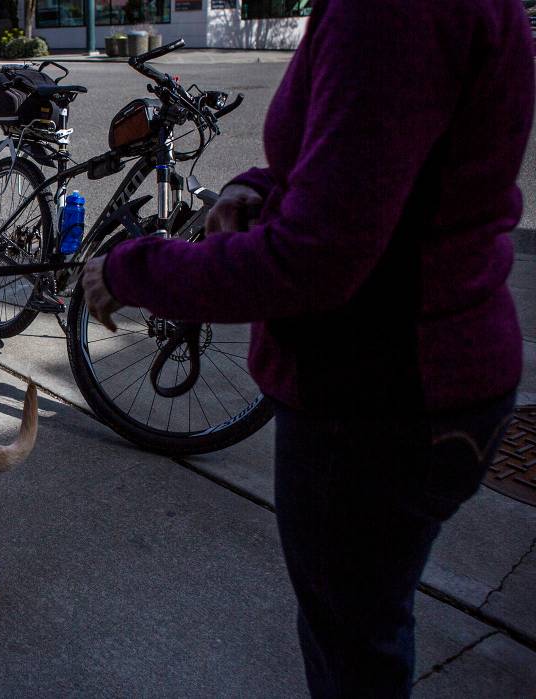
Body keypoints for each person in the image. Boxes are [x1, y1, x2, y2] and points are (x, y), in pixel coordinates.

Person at [83, 1, 534, 695]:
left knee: (354, 654)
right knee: (366, 626)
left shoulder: (392, 16)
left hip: (376, 399)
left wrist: (131, 269)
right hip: (422, 378)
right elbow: (384, 168)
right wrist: (257, 185)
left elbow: (316, 258)